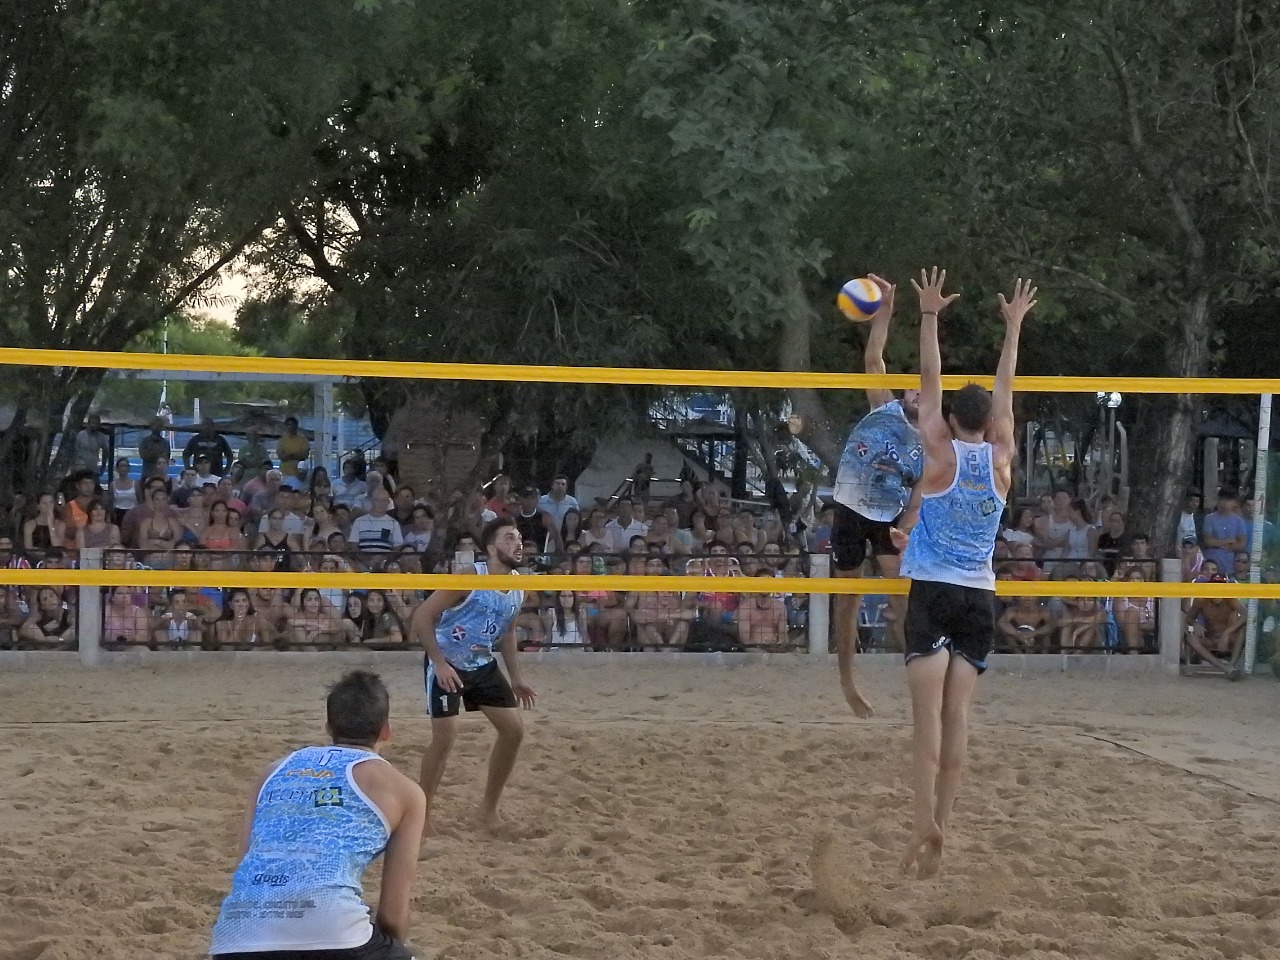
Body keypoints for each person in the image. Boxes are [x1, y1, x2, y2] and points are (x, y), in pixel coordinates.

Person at [893, 269, 1035, 878]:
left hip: (932, 592)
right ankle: (943, 828)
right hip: (978, 596)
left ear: (952, 418)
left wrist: (928, 315)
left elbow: (929, 382)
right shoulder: (1001, 460)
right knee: (958, 720)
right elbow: (1005, 392)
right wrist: (1013, 327)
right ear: (990, 424)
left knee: (925, 724)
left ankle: (922, 823)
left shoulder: (938, 452)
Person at [208, 671, 426, 960]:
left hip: (236, 936)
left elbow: (246, 863)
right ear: (386, 731)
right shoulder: (403, 790)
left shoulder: (272, 772)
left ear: (328, 727)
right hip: (333, 931)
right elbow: (393, 915)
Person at [829, 274, 922, 716]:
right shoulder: (885, 408)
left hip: (889, 517)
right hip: (850, 507)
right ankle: (848, 682)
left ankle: (921, 681)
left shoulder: (933, 442)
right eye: (913, 386)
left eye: (925, 387)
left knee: (902, 598)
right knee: (847, 600)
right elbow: (873, 359)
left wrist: (906, 529)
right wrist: (884, 312)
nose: (918, 391)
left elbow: (919, 496)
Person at [410, 517, 537, 834]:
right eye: (510, 538)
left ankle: (488, 812)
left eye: (519, 538)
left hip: (482, 664)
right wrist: (439, 663)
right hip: (448, 662)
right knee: (445, 738)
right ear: (491, 548)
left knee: (513, 731)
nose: (518, 544)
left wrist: (516, 678)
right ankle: (421, 818)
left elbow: (508, 633)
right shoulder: (470, 577)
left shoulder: (518, 585)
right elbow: (423, 616)